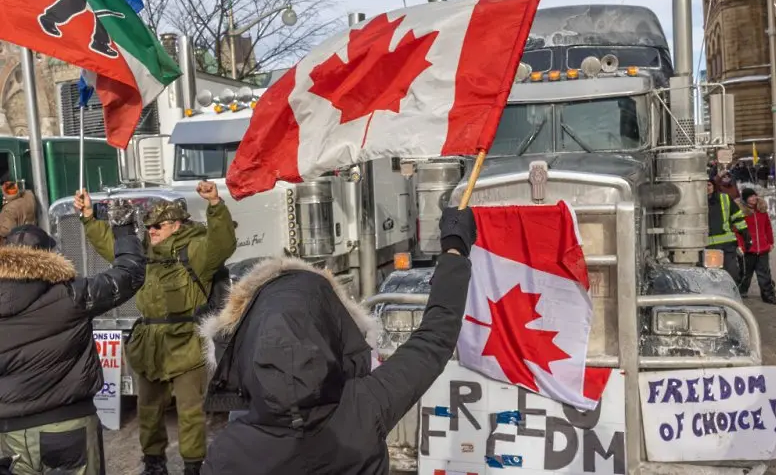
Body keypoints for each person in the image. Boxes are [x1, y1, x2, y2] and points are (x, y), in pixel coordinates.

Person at [198, 207, 476, 474]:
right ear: (334, 331)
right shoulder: (366, 405)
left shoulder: (227, 452)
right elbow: (435, 338)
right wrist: (454, 249)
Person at [77, 182, 237, 475]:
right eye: (148, 226)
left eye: (158, 226)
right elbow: (111, 247)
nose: (151, 230)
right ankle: (154, 464)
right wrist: (89, 217)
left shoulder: (197, 250)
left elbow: (223, 242)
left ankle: (192, 466)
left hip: (186, 344)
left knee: (190, 411)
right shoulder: (143, 254)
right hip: (150, 346)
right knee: (148, 411)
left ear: (177, 225)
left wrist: (215, 205)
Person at [0, 200, 145, 475]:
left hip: (9, 434)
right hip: (69, 426)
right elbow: (129, 275)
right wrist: (124, 229)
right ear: (50, 257)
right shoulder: (71, 296)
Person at [736, 188, 776, 305]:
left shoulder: (762, 210)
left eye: (754, 196)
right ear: (745, 199)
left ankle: (768, 295)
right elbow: (736, 231)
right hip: (748, 249)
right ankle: (740, 291)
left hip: (763, 248)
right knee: (745, 274)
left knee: (764, 273)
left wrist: (770, 242)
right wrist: (740, 246)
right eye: (750, 197)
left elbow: (767, 227)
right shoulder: (740, 212)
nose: (753, 198)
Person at [707, 178, 751, 287]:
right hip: (709, 247)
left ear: (714, 186)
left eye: (708, 185)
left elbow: (737, 217)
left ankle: (732, 296)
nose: (706, 188)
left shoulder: (724, 198)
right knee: (714, 277)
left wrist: (745, 234)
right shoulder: (696, 201)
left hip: (727, 245)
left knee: (732, 274)